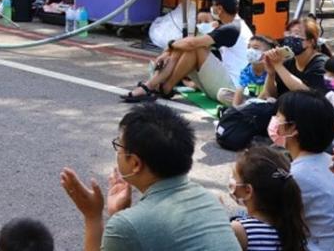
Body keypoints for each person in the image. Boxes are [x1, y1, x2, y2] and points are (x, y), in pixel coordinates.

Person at [61, 103, 240, 251]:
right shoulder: (210, 200)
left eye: (119, 146)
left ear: (136, 163)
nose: (117, 153)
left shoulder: (126, 226)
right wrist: (120, 214)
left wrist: (92, 216)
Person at [124, 0, 250, 103]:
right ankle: (155, 85)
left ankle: (159, 87)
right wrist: (169, 51)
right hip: (223, 83)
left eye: (213, 5)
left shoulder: (232, 28)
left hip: (231, 90)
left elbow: (192, 43)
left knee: (194, 48)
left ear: (220, 9)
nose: (211, 9)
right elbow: (187, 42)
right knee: (187, 46)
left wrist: (169, 45)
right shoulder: (228, 25)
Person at [269, 91, 334, 251]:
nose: (274, 121)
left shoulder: (295, 175)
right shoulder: (330, 161)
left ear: (293, 128)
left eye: (278, 117)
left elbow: (271, 220)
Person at [228, 145, 309, 251]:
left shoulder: (240, 230)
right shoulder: (293, 228)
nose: (231, 180)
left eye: (234, 177)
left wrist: (218, 219)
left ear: (248, 191)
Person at [261, 17, 329, 100]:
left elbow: (308, 96)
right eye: (289, 33)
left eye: (297, 34)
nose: (291, 37)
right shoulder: (288, 63)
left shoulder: (321, 65)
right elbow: (272, 95)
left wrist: (279, 66)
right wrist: (271, 74)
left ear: (311, 42)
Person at [218, 35, 276, 107]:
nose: (250, 50)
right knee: (222, 94)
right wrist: (236, 108)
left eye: (255, 48)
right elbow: (239, 90)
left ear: (267, 52)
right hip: (251, 101)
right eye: (249, 47)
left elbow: (267, 93)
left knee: (271, 100)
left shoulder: (272, 69)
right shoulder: (247, 70)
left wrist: (251, 106)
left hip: (264, 101)